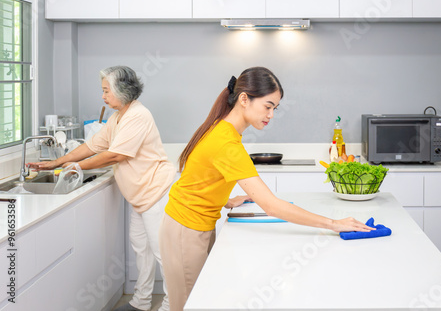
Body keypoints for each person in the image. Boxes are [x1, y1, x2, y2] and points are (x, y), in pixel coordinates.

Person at [158, 66, 374, 311]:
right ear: (244, 99)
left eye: (274, 108)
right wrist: (334, 224)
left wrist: (225, 199)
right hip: (185, 229)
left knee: (203, 301)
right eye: (268, 106)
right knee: (187, 306)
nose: (271, 114)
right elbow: (271, 206)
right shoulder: (227, 141)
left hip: (192, 224)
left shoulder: (224, 129)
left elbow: (200, 175)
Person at [29, 66, 175, 311]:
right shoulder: (117, 117)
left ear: (123, 91)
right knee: (142, 250)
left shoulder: (138, 115)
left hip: (156, 191)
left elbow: (114, 155)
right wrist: (58, 161)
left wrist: (74, 167)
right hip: (140, 195)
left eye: (107, 91)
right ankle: (142, 301)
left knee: (161, 252)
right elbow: (92, 146)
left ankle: (173, 304)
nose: (103, 96)